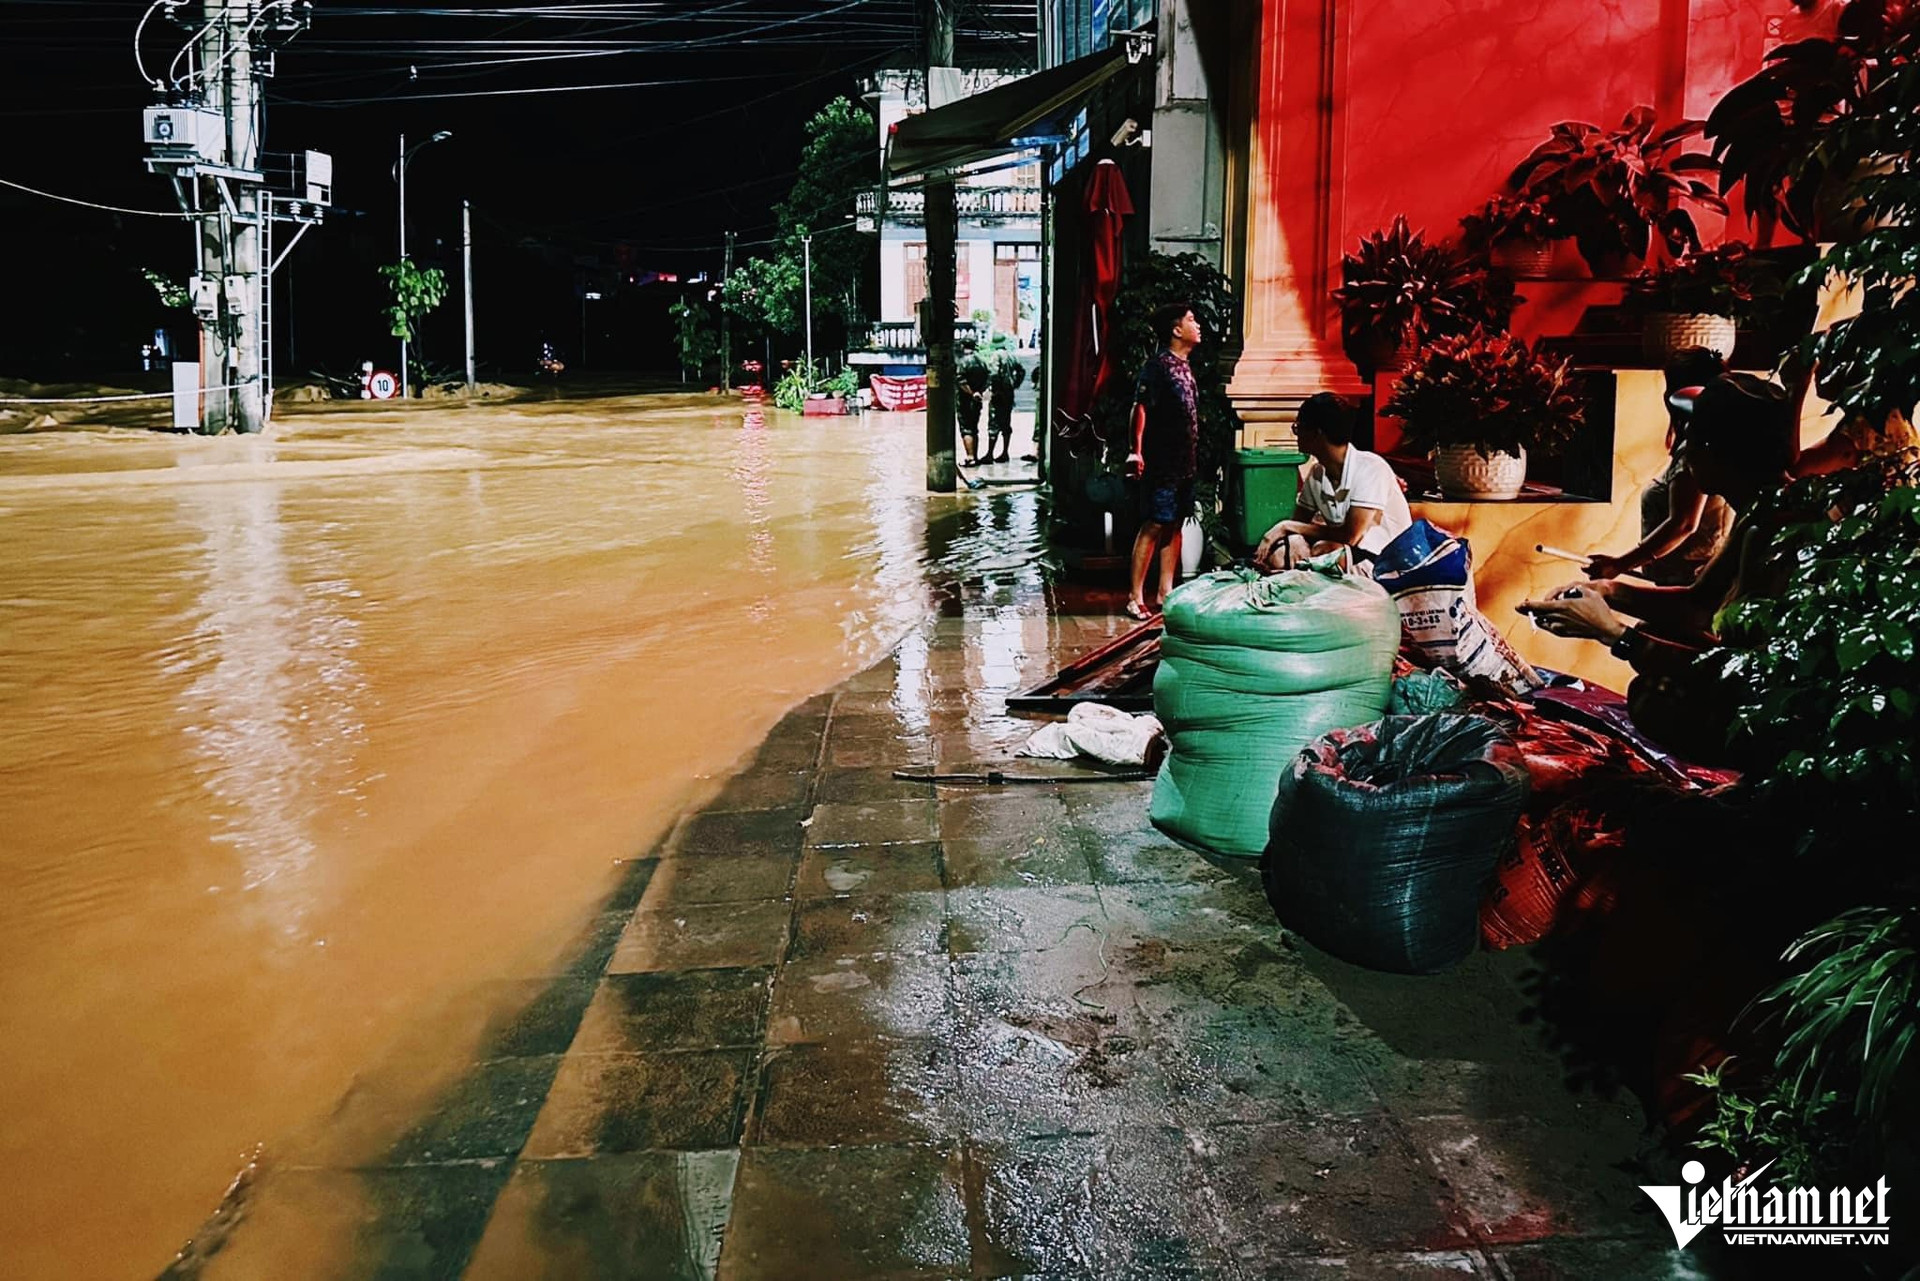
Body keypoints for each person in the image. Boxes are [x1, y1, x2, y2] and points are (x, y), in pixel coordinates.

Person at [1519, 373, 1798, 761]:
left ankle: (1759, 783)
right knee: (1655, 635)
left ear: (1715, 451)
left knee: (1655, 696)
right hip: (1756, 683)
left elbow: (1748, 675)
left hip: (1788, 712)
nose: (1681, 451)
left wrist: (1613, 635)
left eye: (1691, 439)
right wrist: (1608, 593)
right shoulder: (1760, 510)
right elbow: (1699, 605)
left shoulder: (1782, 527)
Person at [1585, 348, 1733, 585]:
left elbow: (1684, 524)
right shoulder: (1706, 442)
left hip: (1690, 587)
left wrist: (1620, 564)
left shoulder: (1695, 450)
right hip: (1685, 584)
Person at [1252, 392, 1411, 571]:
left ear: (1317, 433)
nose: (1296, 435)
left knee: (1323, 552)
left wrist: (1286, 527)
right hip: (1347, 551)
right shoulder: (1317, 473)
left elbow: (1351, 536)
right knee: (1280, 557)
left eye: (1298, 428)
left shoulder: (1371, 468)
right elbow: (1300, 521)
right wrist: (1293, 538)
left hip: (1386, 558)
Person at [1124, 301, 1203, 620]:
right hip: (1162, 461)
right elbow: (1139, 407)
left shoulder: (1185, 365)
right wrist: (1136, 449)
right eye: (1191, 320)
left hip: (1185, 463)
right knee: (1154, 524)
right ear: (1175, 329)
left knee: (1175, 524)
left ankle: (1165, 591)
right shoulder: (1158, 366)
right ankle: (1134, 596)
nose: (1197, 325)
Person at [985, 351, 1026, 463]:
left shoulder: (996, 355)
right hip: (1009, 391)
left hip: (999, 392)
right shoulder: (1012, 356)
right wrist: (1016, 383)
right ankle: (1005, 452)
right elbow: (1021, 371)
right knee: (1006, 422)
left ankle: (990, 453)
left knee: (993, 423)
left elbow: (994, 374)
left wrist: (995, 390)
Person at [956, 343, 989, 466]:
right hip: (977, 399)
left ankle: (970, 457)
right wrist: (980, 392)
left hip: (965, 400)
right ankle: (975, 456)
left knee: (966, 429)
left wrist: (972, 393)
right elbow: (988, 377)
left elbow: (961, 380)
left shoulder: (963, 361)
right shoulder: (982, 361)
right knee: (974, 428)